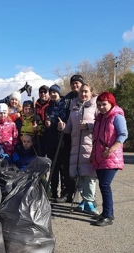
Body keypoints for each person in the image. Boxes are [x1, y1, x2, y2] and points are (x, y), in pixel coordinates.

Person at [57, 83, 99, 215]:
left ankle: (90, 202)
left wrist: (88, 126)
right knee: (79, 175)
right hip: (76, 146)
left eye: (86, 91)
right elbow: (69, 128)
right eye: (81, 92)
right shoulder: (74, 107)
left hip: (90, 145)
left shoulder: (95, 106)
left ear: (91, 93)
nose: (83, 94)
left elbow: (100, 123)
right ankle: (83, 201)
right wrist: (62, 127)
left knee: (90, 176)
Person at [90, 92, 128, 226]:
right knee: (103, 185)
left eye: (104, 104)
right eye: (99, 105)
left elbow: (123, 134)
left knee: (105, 184)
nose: (101, 107)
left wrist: (111, 149)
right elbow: (96, 139)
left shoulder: (117, 117)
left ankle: (108, 215)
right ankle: (106, 212)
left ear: (112, 103)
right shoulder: (100, 118)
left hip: (111, 156)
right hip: (100, 157)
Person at [57, 75, 85, 203]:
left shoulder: (87, 97)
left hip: (83, 136)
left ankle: (86, 197)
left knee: (85, 167)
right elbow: (61, 113)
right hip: (68, 135)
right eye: (73, 83)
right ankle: (68, 192)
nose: (75, 86)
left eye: (77, 83)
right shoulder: (67, 98)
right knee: (67, 166)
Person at [44, 84, 68, 200]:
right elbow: (47, 122)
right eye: (51, 92)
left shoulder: (65, 105)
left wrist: (63, 124)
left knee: (63, 169)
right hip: (51, 142)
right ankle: (53, 192)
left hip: (63, 141)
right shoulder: (48, 108)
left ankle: (64, 193)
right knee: (53, 168)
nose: (53, 94)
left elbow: (69, 120)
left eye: (55, 92)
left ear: (59, 93)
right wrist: (47, 124)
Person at [34, 85, 50, 156]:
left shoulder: (51, 103)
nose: (42, 93)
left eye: (45, 92)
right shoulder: (35, 105)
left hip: (50, 133)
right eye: (41, 92)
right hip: (39, 134)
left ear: (48, 93)